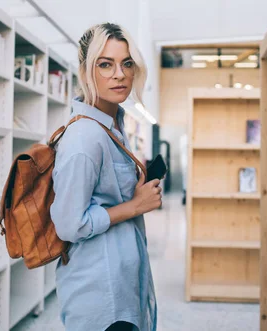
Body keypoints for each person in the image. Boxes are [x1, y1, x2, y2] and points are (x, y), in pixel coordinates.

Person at [49, 23, 161, 331]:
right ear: (86, 71)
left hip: (121, 284)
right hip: (101, 292)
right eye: (105, 64)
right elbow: (69, 224)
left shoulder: (111, 125)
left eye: (127, 63)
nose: (120, 74)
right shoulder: (85, 137)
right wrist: (136, 205)